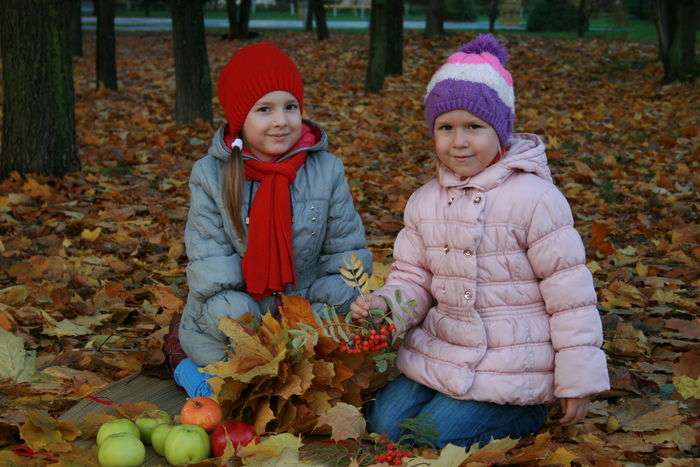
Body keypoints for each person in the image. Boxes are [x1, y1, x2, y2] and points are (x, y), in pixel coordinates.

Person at [350, 34, 610, 448]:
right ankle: (452, 405)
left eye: (474, 127)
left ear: (500, 130)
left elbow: (569, 295)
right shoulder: (424, 203)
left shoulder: (535, 199)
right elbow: (412, 280)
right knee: (384, 424)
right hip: (446, 350)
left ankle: (525, 410)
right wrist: (387, 306)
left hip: (514, 364)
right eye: (446, 128)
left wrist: (576, 378)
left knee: (434, 436)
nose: (459, 141)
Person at [163, 42, 371, 397]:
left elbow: (345, 254)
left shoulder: (326, 171)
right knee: (206, 352)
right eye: (264, 109)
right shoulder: (212, 176)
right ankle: (184, 366)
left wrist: (310, 317)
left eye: (290, 107)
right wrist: (252, 333)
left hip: (304, 309)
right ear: (240, 118)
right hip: (236, 313)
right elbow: (212, 267)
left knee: (327, 374)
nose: (280, 121)